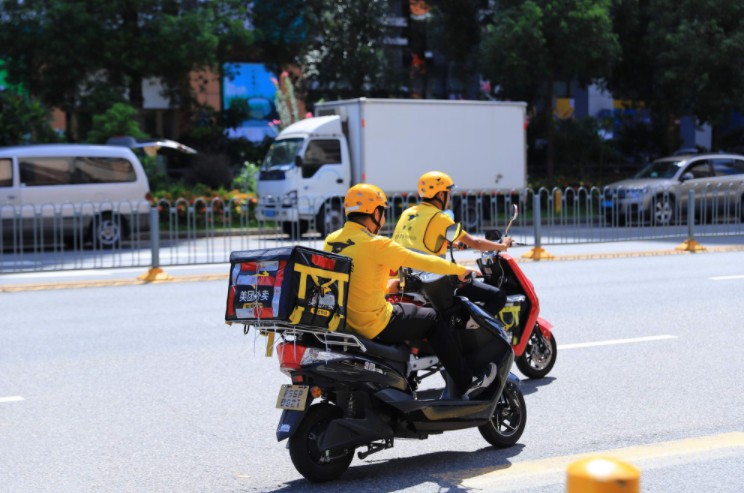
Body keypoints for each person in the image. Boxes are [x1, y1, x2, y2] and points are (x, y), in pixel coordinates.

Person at [324, 183, 496, 400]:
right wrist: (459, 270)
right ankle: (467, 382)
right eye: (383, 211)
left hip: (346, 321)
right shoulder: (376, 244)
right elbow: (422, 261)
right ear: (376, 213)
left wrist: (389, 286)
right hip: (374, 323)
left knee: (407, 309)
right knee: (432, 319)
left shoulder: (331, 240)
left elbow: (354, 279)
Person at [392, 171, 513, 315]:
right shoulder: (439, 217)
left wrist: (451, 243)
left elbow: (416, 241)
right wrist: (503, 245)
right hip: (433, 281)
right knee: (497, 296)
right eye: (448, 193)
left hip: (408, 279)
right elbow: (475, 243)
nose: (449, 197)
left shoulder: (408, 212)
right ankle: (473, 328)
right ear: (441, 195)